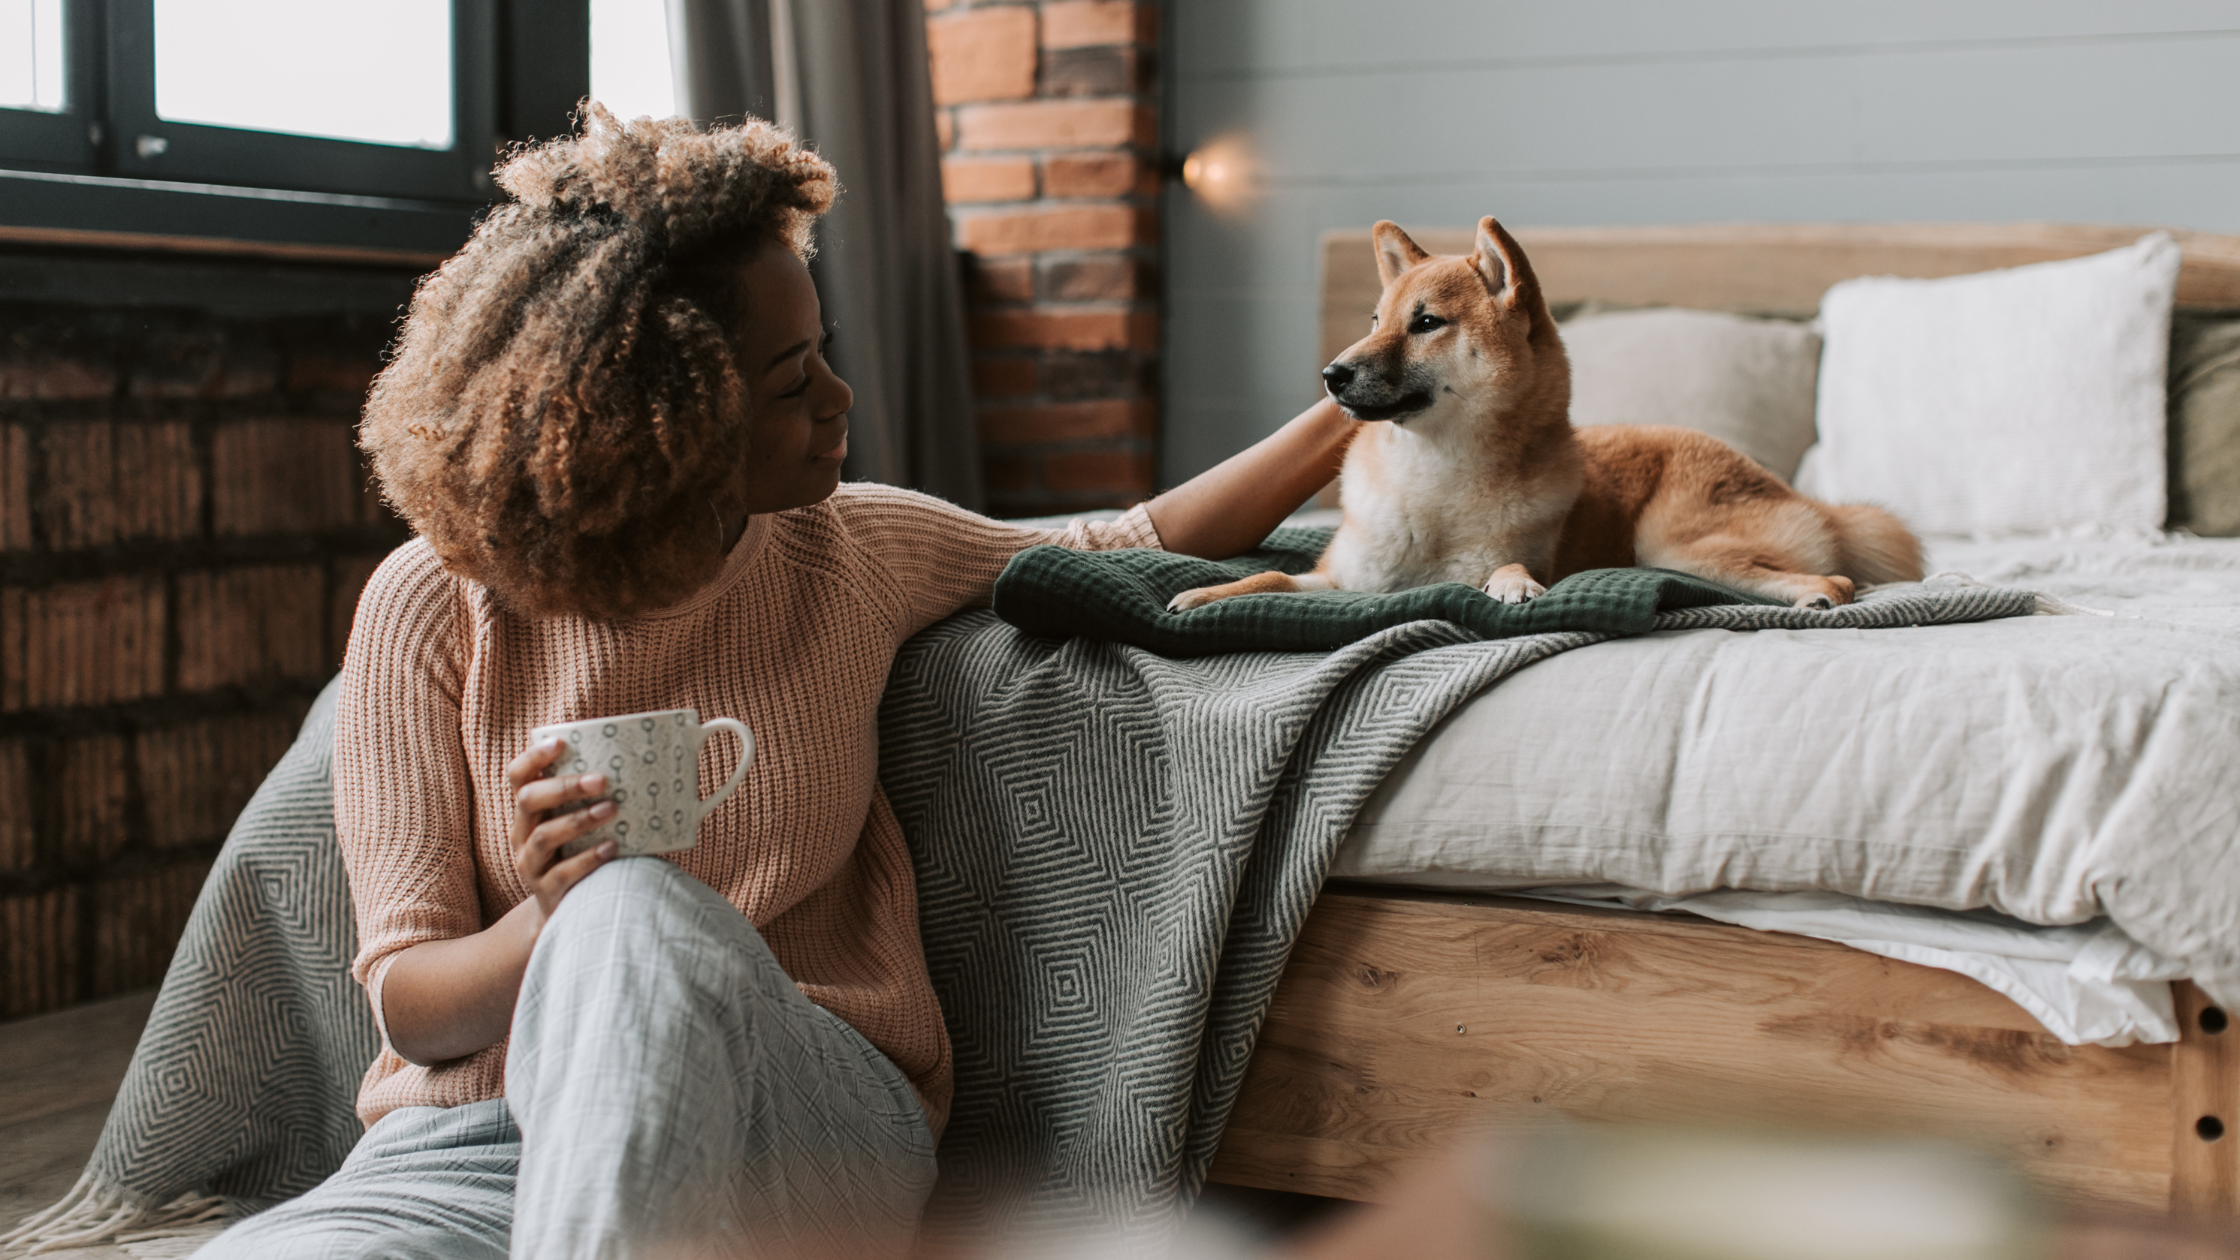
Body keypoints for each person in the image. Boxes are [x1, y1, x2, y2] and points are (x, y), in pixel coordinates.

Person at [195, 106, 1355, 1259]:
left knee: (632, 915)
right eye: (794, 382)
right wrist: (548, 915)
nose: (840, 400)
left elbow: (1126, 542)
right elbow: (411, 1006)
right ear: (661, 421)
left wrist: (1363, 400)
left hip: (794, 1127)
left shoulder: (853, 551)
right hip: (471, 1152)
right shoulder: (430, 603)